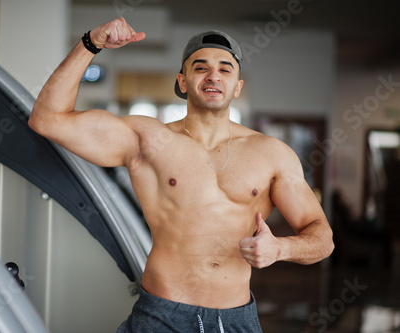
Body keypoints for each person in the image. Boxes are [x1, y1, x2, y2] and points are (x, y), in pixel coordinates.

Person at [29, 17, 334, 333]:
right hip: (161, 316)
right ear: (183, 81)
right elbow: (47, 119)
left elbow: (323, 238)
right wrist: (90, 43)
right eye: (200, 67)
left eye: (225, 69)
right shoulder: (148, 139)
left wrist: (280, 249)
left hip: (235, 320)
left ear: (238, 86)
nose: (213, 75)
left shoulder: (272, 153)